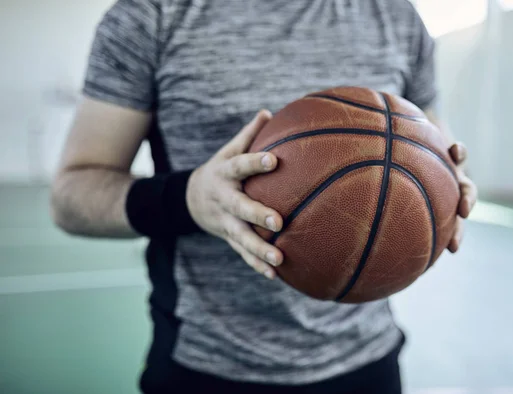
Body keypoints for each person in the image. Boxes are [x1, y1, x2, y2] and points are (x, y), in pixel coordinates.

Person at [50, 0, 477, 393]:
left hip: (368, 358)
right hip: (207, 364)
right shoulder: (153, 14)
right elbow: (71, 194)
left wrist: (449, 186)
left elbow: (430, 150)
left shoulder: (394, 15)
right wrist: (189, 199)